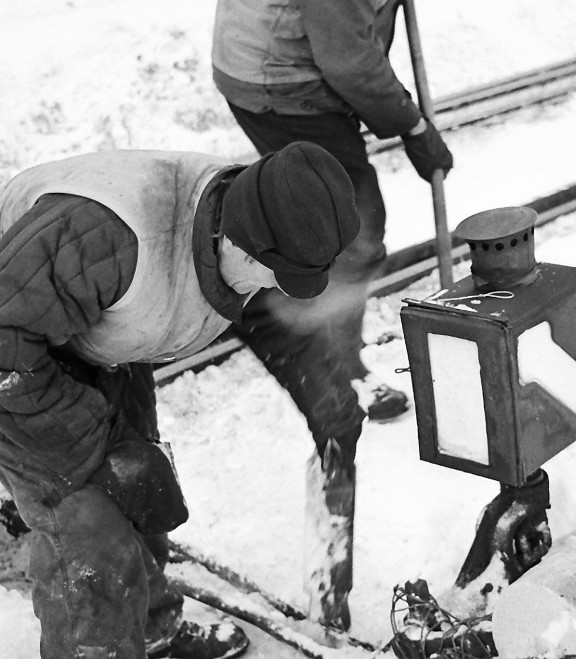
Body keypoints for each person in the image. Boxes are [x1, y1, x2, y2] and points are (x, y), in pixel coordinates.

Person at [0, 143, 361, 659]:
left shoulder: (256, 228)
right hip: (15, 354)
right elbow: (6, 340)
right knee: (88, 538)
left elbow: (282, 326)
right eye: (274, 275)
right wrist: (94, 446)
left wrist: (331, 406)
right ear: (243, 245)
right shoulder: (109, 234)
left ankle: (154, 634)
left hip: (98, 335)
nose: (273, 289)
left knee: (139, 487)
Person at [211, 0, 454, 423]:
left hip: (289, 65)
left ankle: (327, 343)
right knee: (353, 228)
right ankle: (330, 369)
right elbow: (348, 59)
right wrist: (412, 126)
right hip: (280, 81)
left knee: (341, 220)